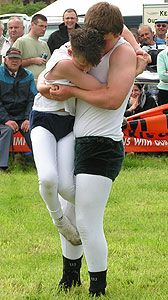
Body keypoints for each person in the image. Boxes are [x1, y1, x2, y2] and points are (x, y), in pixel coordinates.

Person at [38, 2, 149, 297]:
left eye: (107, 38)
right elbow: (118, 26)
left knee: (86, 221)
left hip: (102, 143)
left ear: (114, 33)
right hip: (78, 137)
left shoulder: (122, 50)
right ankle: (70, 279)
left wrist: (72, 90)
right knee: (72, 214)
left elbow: (113, 100)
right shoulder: (97, 39)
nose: (101, 44)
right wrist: (43, 81)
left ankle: (98, 288)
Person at [30, 27, 106, 246]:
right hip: (44, 119)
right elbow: (98, 87)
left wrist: (43, 81)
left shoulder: (77, 50)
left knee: (66, 187)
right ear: (72, 53)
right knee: (48, 178)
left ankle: (91, 219)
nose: (87, 69)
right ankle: (60, 221)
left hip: (69, 122)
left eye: (90, 65)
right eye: (83, 65)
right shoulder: (64, 63)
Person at [0, 47, 37, 172]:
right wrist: (6, 120)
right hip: (3, 119)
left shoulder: (28, 75)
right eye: (11, 59)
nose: (14, 61)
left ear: (21, 61)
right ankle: (2, 167)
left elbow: (33, 99)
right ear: (5, 60)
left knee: (35, 131)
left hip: (23, 117)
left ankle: (41, 164)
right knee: (6, 131)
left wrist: (28, 118)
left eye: (17, 59)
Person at [13, 14, 51, 84]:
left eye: (45, 26)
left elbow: (49, 66)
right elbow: (12, 64)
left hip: (43, 84)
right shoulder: (21, 41)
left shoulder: (44, 44)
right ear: (32, 25)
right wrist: (32, 61)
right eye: (41, 26)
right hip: (26, 85)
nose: (44, 29)